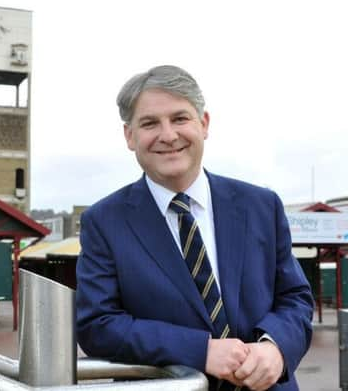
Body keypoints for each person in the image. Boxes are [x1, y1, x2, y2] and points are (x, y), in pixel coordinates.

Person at [75, 65, 313, 391]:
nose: (168, 135)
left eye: (180, 118)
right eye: (149, 123)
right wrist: (201, 351)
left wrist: (276, 347)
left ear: (204, 124)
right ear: (130, 136)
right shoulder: (103, 222)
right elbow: (97, 325)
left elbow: (295, 298)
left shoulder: (262, 205)